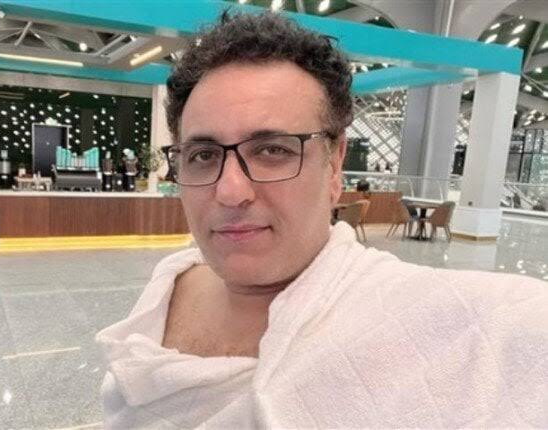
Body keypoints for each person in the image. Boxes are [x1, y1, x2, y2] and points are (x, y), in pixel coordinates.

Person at [96, 11, 548, 428]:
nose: (230, 191)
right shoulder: (166, 288)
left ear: (334, 164)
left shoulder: (419, 316)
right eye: (203, 155)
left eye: (272, 150)